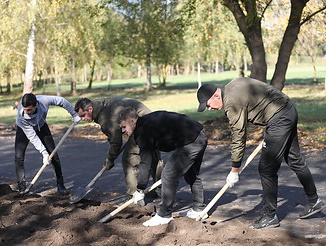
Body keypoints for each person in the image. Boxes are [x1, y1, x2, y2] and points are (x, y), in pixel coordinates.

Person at [197, 77, 324, 229]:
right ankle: (314, 201)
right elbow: (262, 97)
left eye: (208, 105)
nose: (209, 109)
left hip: (279, 118)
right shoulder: (234, 84)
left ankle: (270, 216)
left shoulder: (231, 103)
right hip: (288, 109)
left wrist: (234, 170)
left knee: (266, 169)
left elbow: (239, 136)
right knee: (294, 159)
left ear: (216, 96)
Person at [118, 108, 208, 226]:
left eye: (124, 127)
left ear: (132, 121)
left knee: (168, 175)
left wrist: (140, 188)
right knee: (191, 174)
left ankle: (164, 215)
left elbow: (145, 162)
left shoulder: (144, 132)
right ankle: (199, 209)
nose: (123, 131)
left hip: (191, 141)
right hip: (199, 134)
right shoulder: (146, 123)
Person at [74, 97, 163, 197]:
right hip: (149, 118)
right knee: (151, 154)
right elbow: (113, 134)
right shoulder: (100, 104)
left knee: (129, 158)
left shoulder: (104, 118)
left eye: (83, 115)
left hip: (141, 122)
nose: (83, 119)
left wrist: (110, 159)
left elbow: (116, 141)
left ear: (90, 109)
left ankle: (135, 195)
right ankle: (160, 189)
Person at [15, 93, 81, 195]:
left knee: (53, 155)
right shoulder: (21, 117)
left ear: (36, 105)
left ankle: (60, 185)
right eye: (24, 109)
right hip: (24, 129)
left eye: (29, 110)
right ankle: (22, 187)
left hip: (41, 125)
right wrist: (43, 152)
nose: (26, 112)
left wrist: (74, 114)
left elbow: (62, 101)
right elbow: (32, 136)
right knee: (19, 156)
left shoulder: (44, 100)